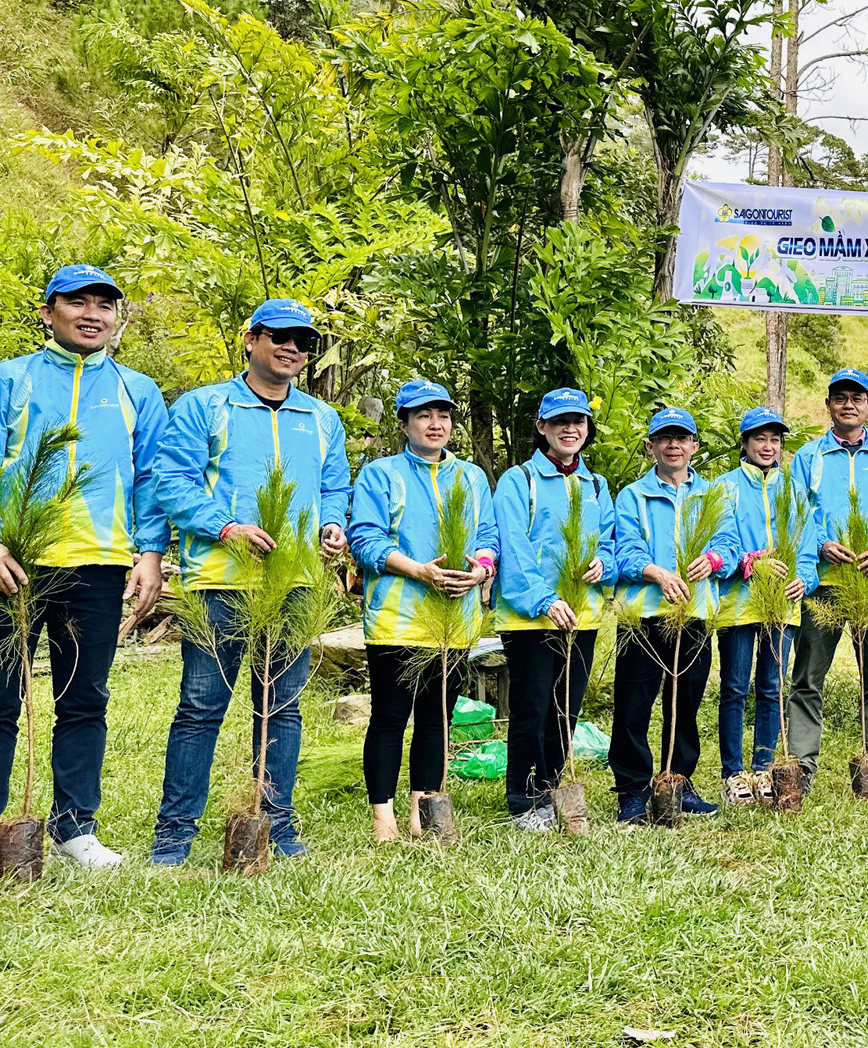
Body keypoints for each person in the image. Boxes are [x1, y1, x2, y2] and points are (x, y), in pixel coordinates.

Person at [151, 297, 351, 864]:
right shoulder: (204, 405)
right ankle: (174, 837)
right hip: (221, 581)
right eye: (279, 336)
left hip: (296, 583)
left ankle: (277, 827)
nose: (292, 348)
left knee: (283, 708)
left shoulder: (322, 418)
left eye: (303, 341)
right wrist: (226, 526)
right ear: (251, 339)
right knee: (201, 706)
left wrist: (333, 524)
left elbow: (334, 486)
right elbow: (173, 481)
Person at [0, 265, 167, 870]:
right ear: (49, 312)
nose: (94, 312)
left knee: (83, 699)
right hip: (14, 559)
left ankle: (75, 830)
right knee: (0, 697)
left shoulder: (138, 390)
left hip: (98, 564)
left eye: (106, 304)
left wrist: (148, 554)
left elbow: (151, 479)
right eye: (78, 301)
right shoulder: (11, 378)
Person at [346, 380, 498, 842]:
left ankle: (423, 809)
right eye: (423, 415)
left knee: (437, 716)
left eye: (443, 415)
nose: (436, 424)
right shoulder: (380, 475)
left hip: (454, 619)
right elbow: (366, 539)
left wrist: (482, 570)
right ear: (405, 423)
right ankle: (383, 816)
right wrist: (418, 571)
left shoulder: (471, 477)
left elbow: (488, 536)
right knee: (391, 716)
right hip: (397, 615)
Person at [492, 388, 616, 831]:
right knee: (532, 706)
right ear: (542, 427)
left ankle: (550, 788)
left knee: (567, 708)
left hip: (582, 614)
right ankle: (523, 799)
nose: (570, 429)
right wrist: (545, 599)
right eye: (560, 421)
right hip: (530, 616)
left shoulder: (596, 485)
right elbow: (515, 547)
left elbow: (611, 541)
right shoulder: (518, 480)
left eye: (578, 421)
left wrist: (608, 563)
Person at [610, 406, 739, 823]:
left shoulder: (712, 495)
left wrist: (715, 559)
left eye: (681, 437)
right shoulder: (633, 495)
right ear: (651, 447)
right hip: (644, 616)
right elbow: (624, 550)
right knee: (633, 706)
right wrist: (656, 572)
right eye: (664, 438)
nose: (673, 444)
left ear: (694, 447)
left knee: (685, 703)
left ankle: (678, 782)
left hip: (696, 614)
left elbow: (731, 545)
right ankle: (632, 791)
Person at [787, 369, 868, 794]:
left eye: (857, 397)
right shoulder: (807, 457)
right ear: (829, 404)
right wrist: (819, 543)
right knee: (807, 676)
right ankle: (800, 763)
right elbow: (796, 514)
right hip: (822, 584)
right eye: (840, 397)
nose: (849, 404)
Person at [712, 407, 817, 803]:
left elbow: (808, 543)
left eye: (775, 439)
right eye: (760, 438)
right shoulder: (724, 487)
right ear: (744, 443)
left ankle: (763, 767)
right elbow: (717, 542)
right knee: (735, 687)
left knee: (773, 686)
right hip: (740, 602)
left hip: (784, 606)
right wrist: (750, 562)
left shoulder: (792, 489)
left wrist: (803, 579)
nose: (768, 446)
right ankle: (733, 772)